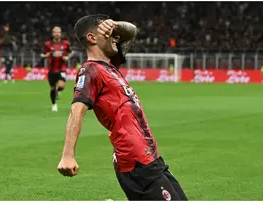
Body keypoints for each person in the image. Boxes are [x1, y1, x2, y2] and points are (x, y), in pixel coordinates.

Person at [57, 14, 188, 201]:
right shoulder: (90, 70)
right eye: (110, 34)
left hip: (151, 157)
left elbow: (131, 32)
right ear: (92, 38)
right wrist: (68, 155)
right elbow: (77, 110)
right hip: (135, 160)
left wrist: (116, 25)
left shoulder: (111, 66)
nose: (116, 38)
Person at [41, 26, 75, 112]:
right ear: (52, 34)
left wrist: (67, 57)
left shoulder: (65, 43)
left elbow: (72, 52)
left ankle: (58, 90)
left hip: (61, 69)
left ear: (60, 33)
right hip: (52, 70)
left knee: (61, 85)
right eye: (55, 32)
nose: (56, 34)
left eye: (58, 32)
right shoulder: (48, 44)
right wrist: (47, 55)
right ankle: (54, 104)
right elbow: (42, 55)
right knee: (52, 88)